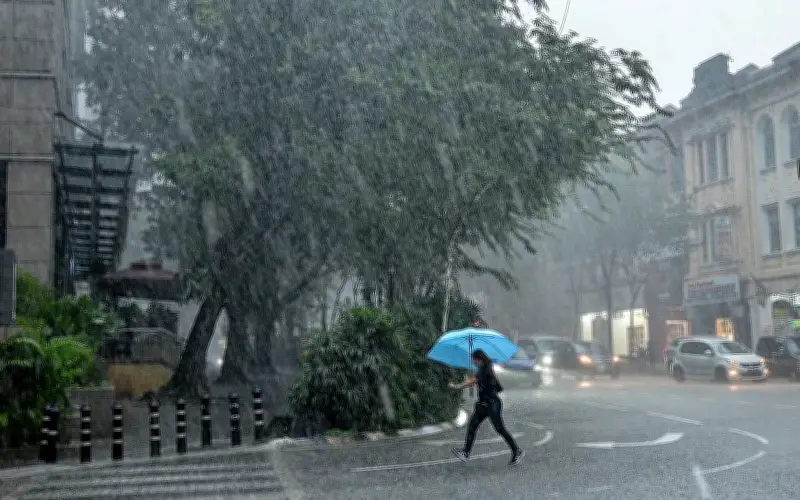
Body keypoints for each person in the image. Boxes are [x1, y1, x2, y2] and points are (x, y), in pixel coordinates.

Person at [448, 349, 524, 465]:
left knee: (500, 429)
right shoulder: (485, 369)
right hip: (483, 404)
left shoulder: (485, 370)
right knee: (472, 426)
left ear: (479, 360)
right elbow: (478, 381)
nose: (474, 363)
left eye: (475, 361)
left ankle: (516, 451)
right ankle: (466, 453)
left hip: (492, 404)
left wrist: (458, 386)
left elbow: (473, 381)